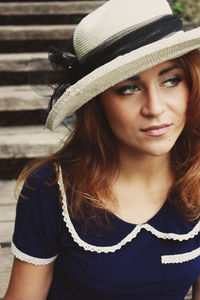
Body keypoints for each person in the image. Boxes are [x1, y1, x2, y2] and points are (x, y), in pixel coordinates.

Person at [4, 0, 200, 299]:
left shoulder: (196, 174)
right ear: (97, 104)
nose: (155, 108)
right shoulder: (49, 190)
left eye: (171, 80)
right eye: (128, 88)